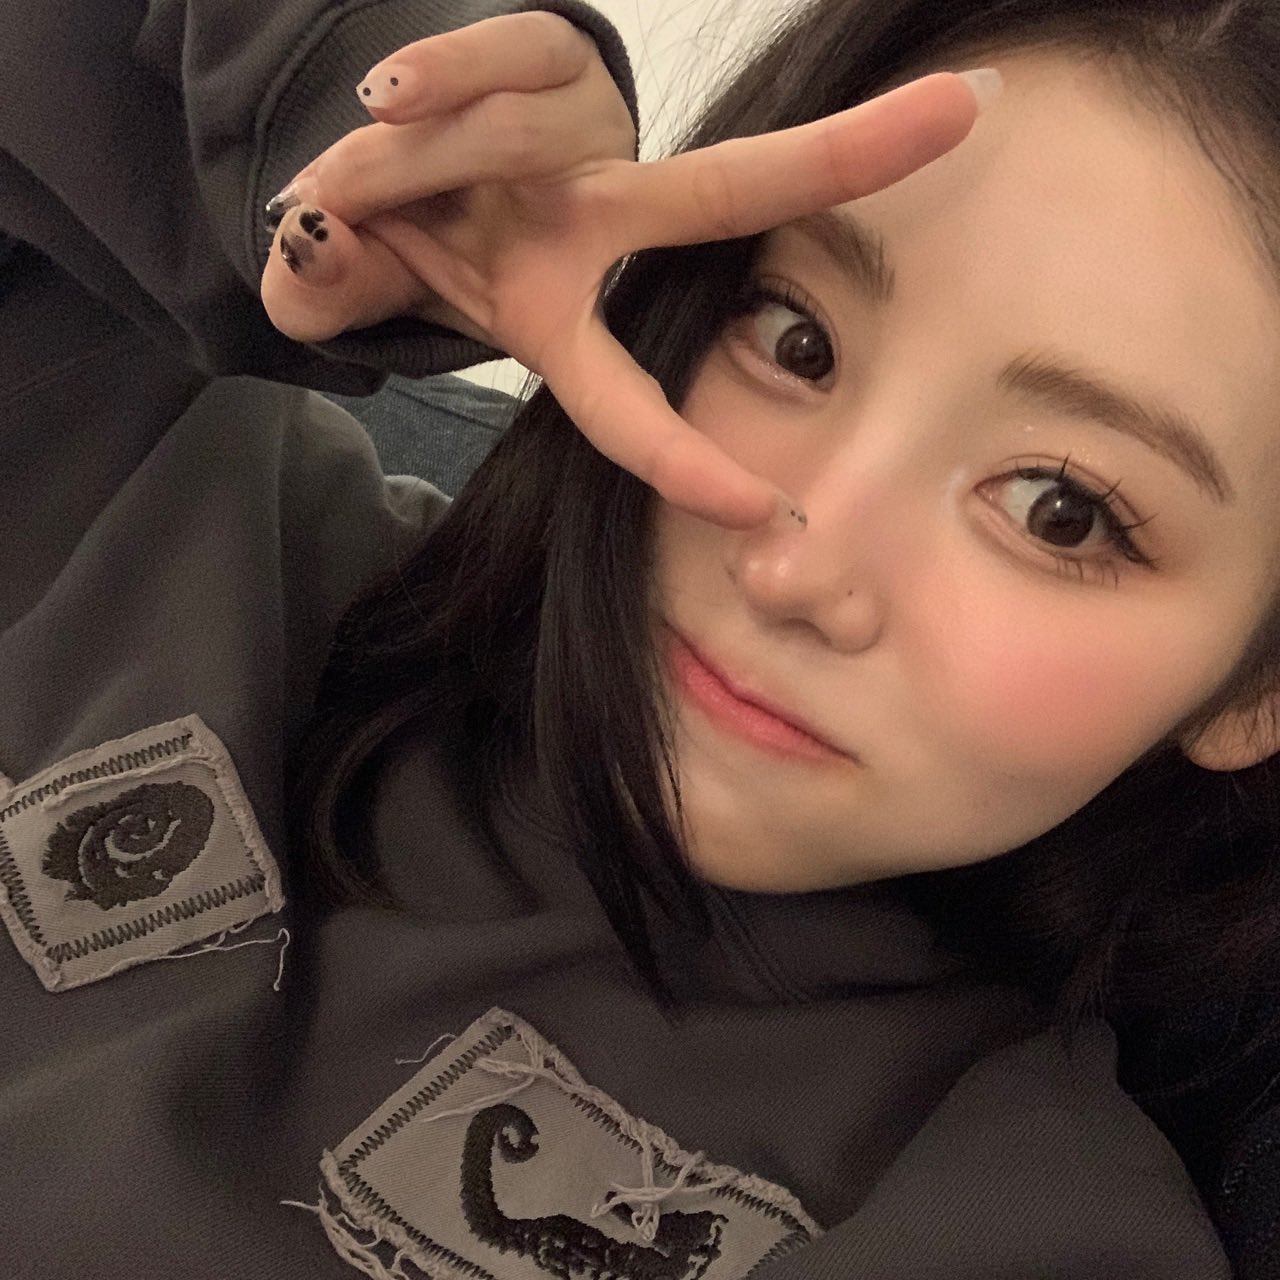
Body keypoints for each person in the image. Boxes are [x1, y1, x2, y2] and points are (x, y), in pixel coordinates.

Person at [2, 0, 1278, 1275]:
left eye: (1059, 511)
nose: (791, 563)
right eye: (795, 337)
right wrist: (350, 98)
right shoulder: (158, 499)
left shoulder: (1019, 1226)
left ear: (1254, 688)